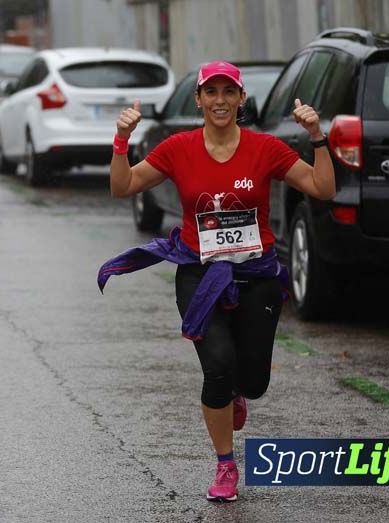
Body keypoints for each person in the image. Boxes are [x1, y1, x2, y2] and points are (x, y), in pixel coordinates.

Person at [96, 61, 336, 503]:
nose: (220, 100)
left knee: (254, 380)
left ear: (241, 98)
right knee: (218, 366)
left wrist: (317, 136)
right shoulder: (178, 148)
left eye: (229, 92)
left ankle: (239, 394)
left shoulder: (266, 148)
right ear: (199, 99)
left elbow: (323, 187)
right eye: (212, 92)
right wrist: (121, 141)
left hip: (257, 273)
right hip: (200, 275)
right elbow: (123, 186)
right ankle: (226, 465)